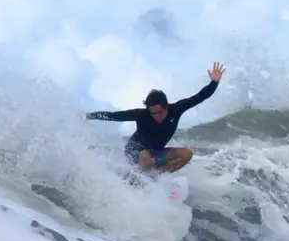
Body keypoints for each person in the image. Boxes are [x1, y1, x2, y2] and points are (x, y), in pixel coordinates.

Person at [85, 62, 225, 174]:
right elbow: (115, 116)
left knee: (186, 154)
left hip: (156, 154)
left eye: (158, 112)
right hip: (135, 151)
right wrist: (89, 116)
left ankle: (158, 177)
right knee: (147, 160)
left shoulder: (176, 109)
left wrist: (214, 83)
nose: (155, 116)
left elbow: (199, 97)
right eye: (152, 113)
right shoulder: (142, 115)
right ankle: (138, 177)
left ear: (166, 107)